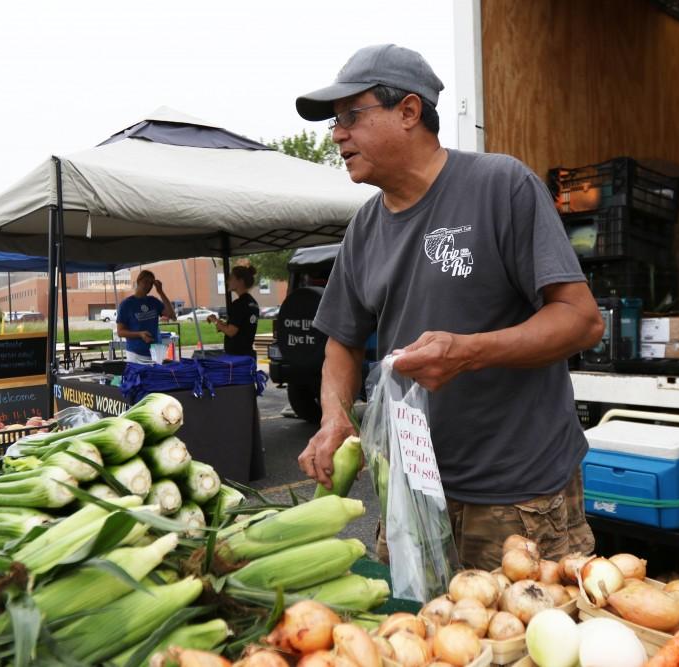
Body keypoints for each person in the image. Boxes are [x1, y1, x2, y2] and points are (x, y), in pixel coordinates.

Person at [294, 44, 605, 569]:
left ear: (409, 112)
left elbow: (581, 319)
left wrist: (470, 351)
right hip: (411, 491)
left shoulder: (500, 186)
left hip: (517, 494)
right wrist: (333, 418)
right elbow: (341, 341)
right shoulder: (364, 229)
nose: (337, 134)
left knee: (523, 643)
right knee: (416, 637)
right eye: (333, 123)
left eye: (351, 115)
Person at [116, 270, 175, 364]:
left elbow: (171, 315)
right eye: (146, 282)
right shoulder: (126, 304)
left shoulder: (153, 301)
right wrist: (139, 334)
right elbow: (120, 332)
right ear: (139, 281)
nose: (148, 286)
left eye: (151, 283)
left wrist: (161, 292)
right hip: (136, 353)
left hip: (155, 352)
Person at [207, 265, 261, 358]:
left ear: (240, 281)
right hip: (247, 355)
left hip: (236, 358)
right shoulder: (253, 303)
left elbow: (231, 332)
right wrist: (219, 323)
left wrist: (215, 321)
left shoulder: (239, 304)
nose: (227, 281)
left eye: (231, 278)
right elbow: (240, 327)